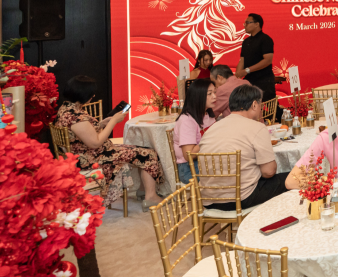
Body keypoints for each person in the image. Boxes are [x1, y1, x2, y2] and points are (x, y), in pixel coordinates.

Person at [55, 76, 164, 209]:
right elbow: (95, 143)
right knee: (148, 154)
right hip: (93, 159)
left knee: (140, 149)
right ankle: (151, 196)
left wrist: (101, 124)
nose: (93, 96)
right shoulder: (76, 117)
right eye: (91, 94)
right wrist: (113, 121)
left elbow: (83, 133)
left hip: (90, 154)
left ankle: (144, 191)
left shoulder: (66, 109)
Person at [197, 84, 289, 209]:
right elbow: (269, 172)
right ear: (254, 105)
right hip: (242, 198)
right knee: (292, 178)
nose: (261, 109)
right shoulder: (257, 127)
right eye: (260, 104)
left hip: (208, 200)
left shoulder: (212, 129)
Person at [173, 78, 217, 184]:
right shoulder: (187, 120)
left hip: (207, 160)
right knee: (230, 174)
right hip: (190, 168)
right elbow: (189, 155)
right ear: (198, 96)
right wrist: (210, 137)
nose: (215, 96)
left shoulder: (208, 115)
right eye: (209, 93)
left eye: (215, 92)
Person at [237, 13, 276, 101]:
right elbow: (242, 59)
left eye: (247, 23)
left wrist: (247, 70)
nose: (245, 25)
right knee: (249, 104)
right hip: (249, 81)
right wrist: (238, 74)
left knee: (266, 105)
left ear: (257, 24)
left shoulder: (265, 39)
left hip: (264, 80)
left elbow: (268, 60)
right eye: (244, 23)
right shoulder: (246, 41)